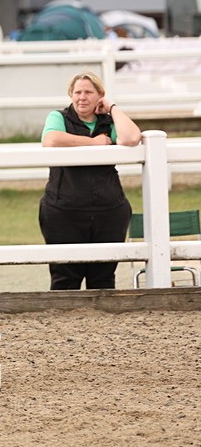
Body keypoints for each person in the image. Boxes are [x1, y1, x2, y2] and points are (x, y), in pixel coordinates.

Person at [38, 71, 142, 290]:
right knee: (64, 279)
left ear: (100, 95)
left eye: (88, 92)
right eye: (77, 92)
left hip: (109, 210)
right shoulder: (59, 117)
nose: (82, 97)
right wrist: (93, 142)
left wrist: (112, 108)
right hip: (64, 211)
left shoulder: (110, 122)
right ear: (71, 94)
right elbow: (51, 140)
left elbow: (131, 137)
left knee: (103, 279)